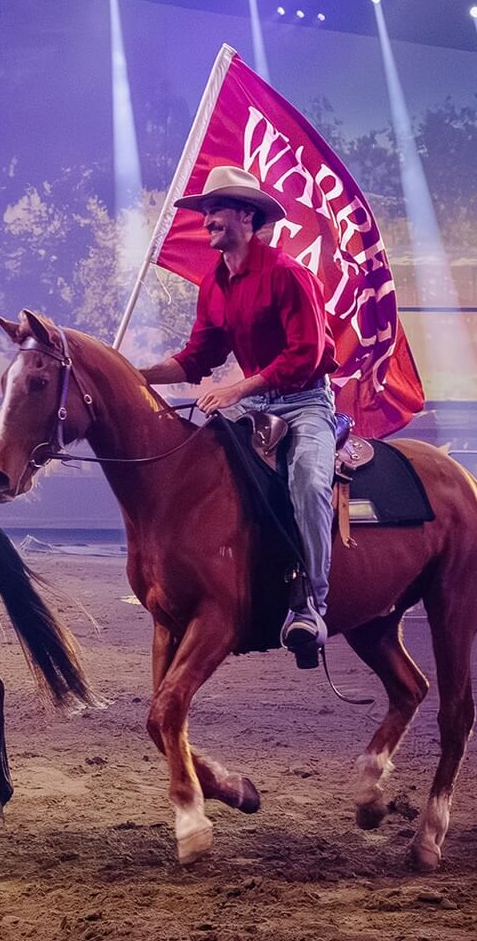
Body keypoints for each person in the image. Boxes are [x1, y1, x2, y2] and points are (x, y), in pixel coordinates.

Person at [136, 166, 338, 662]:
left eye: (216, 211)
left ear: (247, 217)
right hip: (253, 403)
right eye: (205, 213)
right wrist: (133, 377)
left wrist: (236, 390)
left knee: (309, 480)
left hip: (306, 400)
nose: (206, 220)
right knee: (200, 469)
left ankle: (312, 601)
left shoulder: (289, 276)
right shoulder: (215, 283)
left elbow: (306, 354)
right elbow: (197, 356)